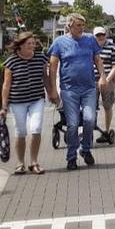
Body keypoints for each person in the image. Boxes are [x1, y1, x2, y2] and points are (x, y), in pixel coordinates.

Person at [47, 13, 107, 170]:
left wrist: (103, 77)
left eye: (83, 25)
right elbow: (52, 68)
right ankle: (71, 157)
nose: (82, 28)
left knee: (89, 120)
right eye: (78, 25)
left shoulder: (90, 40)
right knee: (72, 124)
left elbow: (98, 60)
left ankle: (85, 149)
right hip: (69, 90)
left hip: (88, 88)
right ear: (70, 25)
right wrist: (53, 90)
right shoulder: (59, 42)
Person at [2, 32, 56, 175]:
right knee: (21, 132)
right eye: (29, 44)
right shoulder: (11, 61)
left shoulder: (40, 58)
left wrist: (51, 92)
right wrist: (4, 106)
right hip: (17, 101)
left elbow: (45, 77)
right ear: (20, 46)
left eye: (33, 43)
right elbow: (6, 85)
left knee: (36, 128)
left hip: (36, 99)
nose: (32, 46)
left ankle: (34, 162)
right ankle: (20, 163)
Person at [93, 27, 115, 143]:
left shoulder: (113, 48)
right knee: (90, 106)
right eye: (98, 35)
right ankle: (89, 130)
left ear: (105, 35)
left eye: (102, 35)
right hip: (92, 80)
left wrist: (107, 80)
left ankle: (106, 130)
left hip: (108, 80)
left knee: (107, 106)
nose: (100, 37)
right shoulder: (91, 48)